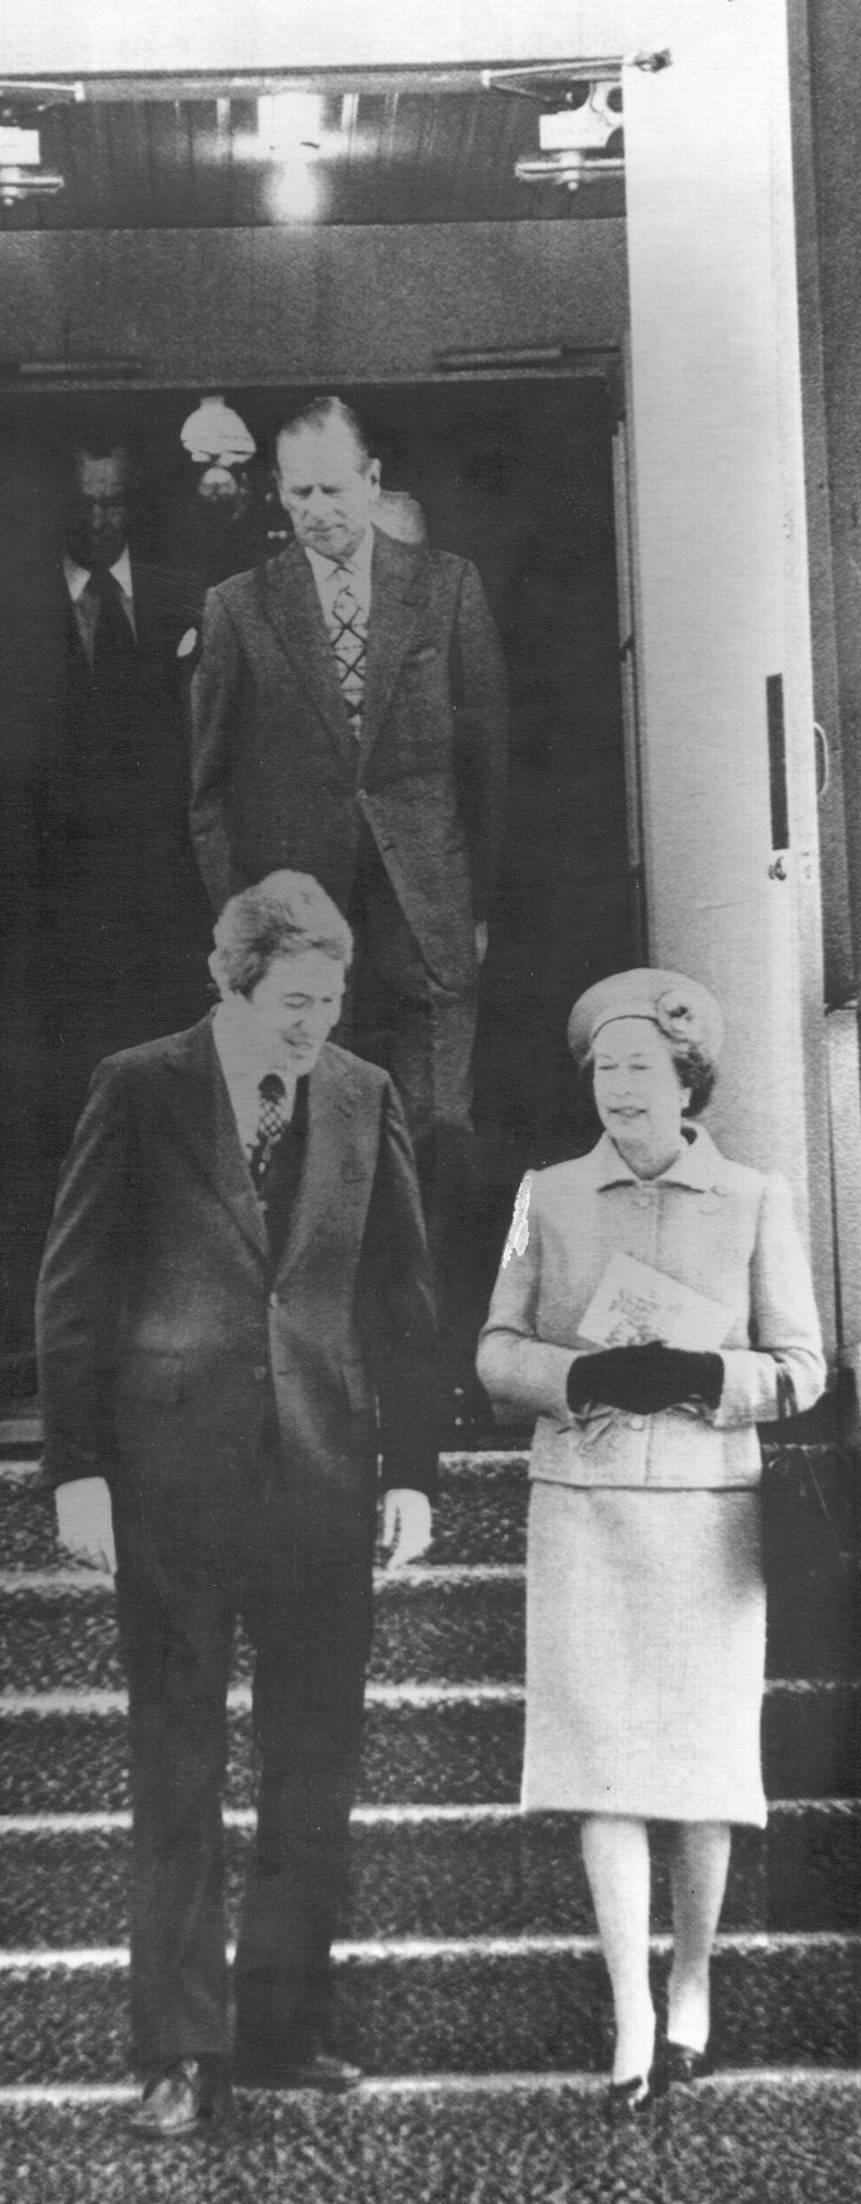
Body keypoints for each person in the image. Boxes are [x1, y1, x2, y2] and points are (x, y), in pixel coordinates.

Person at [36, 871, 441, 2141]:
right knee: (178, 1765)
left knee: (313, 1766)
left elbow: (402, 1297)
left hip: (323, 1474)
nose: (315, 1024)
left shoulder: (368, 1096)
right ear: (235, 980)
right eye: (294, 1002)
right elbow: (77, 1283)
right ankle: (178, 2051)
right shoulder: (141, 1084)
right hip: (169, 1481)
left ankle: (279, 2026)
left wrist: (416, 1469)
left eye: (330, 1000)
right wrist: (78, 1467)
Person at [476, 968, 825, 2117]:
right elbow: (492, 1349)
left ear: (689, 1082)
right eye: (605, 1069)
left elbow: (804, 1366)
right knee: (604, 1771)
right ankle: (631, 2002)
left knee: (701, 1773)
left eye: (643, 1069)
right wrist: (577, 1374)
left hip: (706, 1513)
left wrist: (712, 1377)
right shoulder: (545, 1194)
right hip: (582, 1503)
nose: (620, 1089)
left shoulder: (757, 1196)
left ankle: (692, 1980)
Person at [188, 394, 509, 1206]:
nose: (318, 512)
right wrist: (239, 926)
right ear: (279, 493)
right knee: (310, 1131)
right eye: (300, 494)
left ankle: (436, 1319)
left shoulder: (447, 589)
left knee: (438, 1124)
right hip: (300, 917)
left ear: (371, 481)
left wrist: (480, 905)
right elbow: (209, 790)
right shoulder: (238, 607)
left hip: (428, 905)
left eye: (335, 490)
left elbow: (488, 765)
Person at [47, 429, 213, 1132]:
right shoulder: (19, 606)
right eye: (85, 502)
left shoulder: (185, 597)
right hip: (58, 902)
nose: (97, 520)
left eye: (111, 503)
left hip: (162, 896)